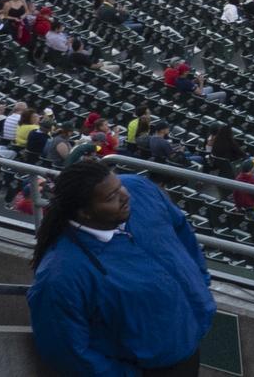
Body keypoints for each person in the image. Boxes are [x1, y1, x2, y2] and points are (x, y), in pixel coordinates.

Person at [27, 160, 215, 377]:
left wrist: (200, 282)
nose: (125, 195)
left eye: (119, 186)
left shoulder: (139, 188)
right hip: (149, 369)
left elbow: (181, 229)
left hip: (189, 344)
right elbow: (65, 351)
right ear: (84, 213)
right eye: (111, 197)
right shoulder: (61, 274)